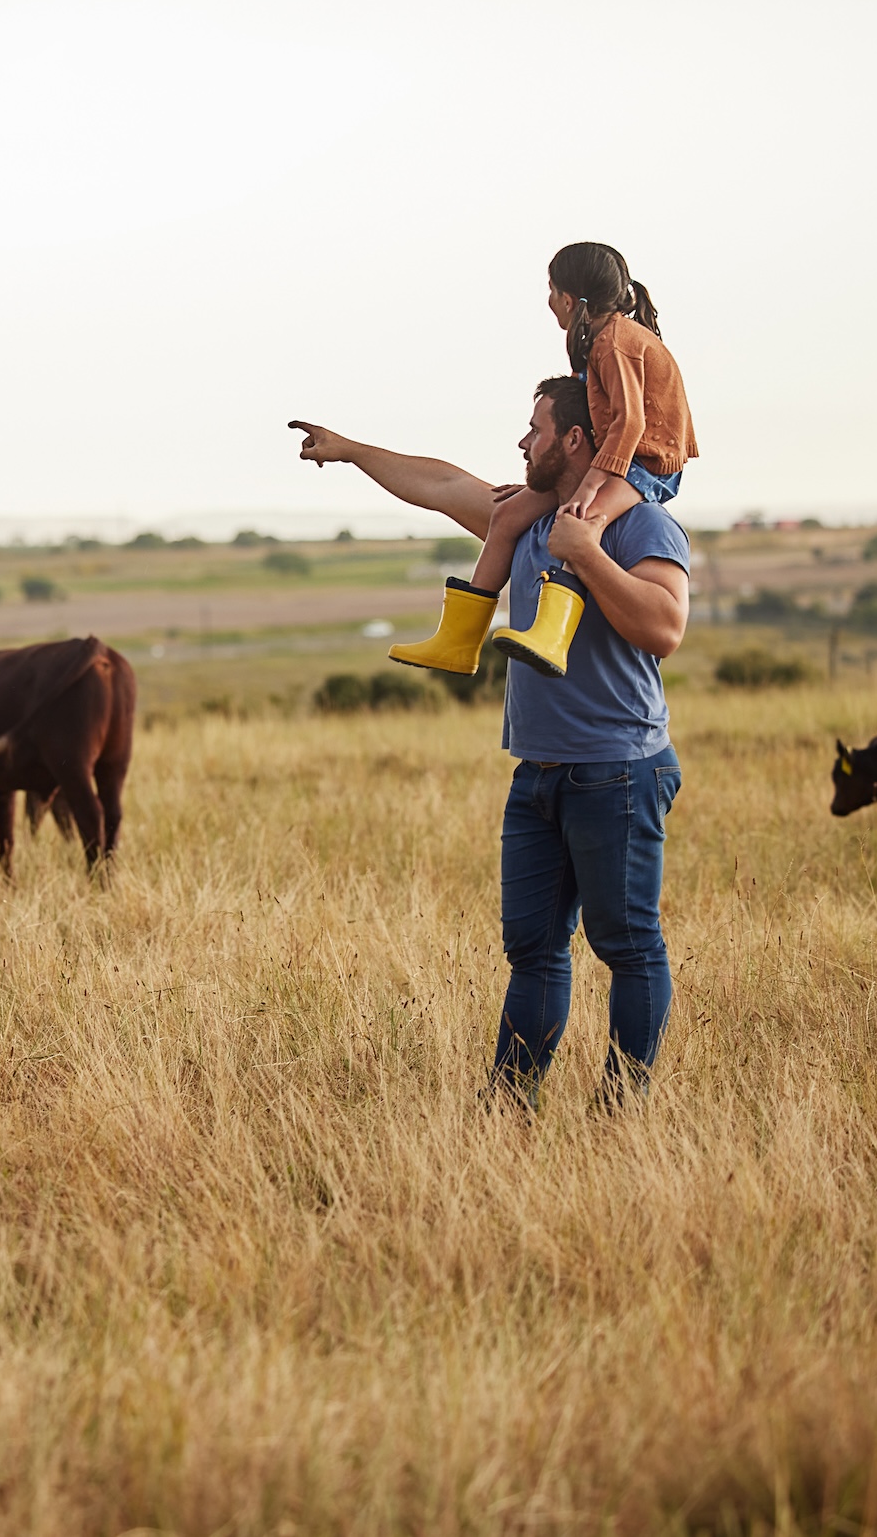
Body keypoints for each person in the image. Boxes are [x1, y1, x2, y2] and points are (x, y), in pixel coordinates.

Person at [288, 375, 690, 1108]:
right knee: (532, 950)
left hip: (619, 771)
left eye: (534, 428)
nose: (521, 441)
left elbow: (665, 627)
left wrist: (589, 555)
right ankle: (509, 1105)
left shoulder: (640, 526)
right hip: (536, 773)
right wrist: (349, 450)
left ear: (574, 439)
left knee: (627, 945)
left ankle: (623, 1108)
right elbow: (441, 482)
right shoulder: (526, 517)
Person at [368, 243, 697, 679]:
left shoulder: (616, 342)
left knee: (577, 528)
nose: (548, 301)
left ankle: (552, 634)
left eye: (550, 289)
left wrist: (588, 488)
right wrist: (538, 487)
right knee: (506, 516)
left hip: (645, 465)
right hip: (616, 460)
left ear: (567, 298)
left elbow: (630, 425)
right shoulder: (596, 342)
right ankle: (459, 641)